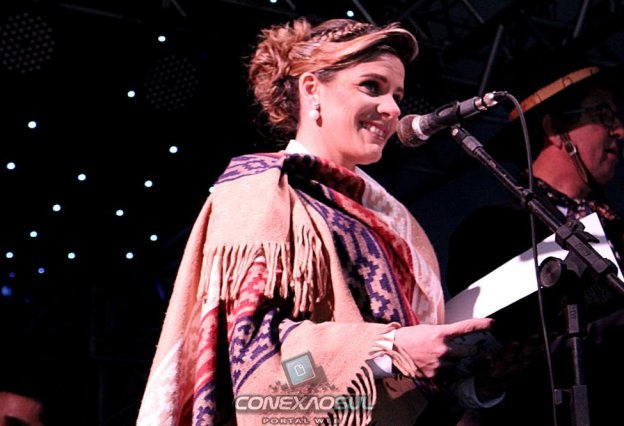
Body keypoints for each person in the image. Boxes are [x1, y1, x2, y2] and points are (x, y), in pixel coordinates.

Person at [136, 17, 526, 426]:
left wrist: (475, 386)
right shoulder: (258, 193)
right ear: (311, 89)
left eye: (397, 95)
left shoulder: (393, 217)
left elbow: (406, 381)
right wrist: (389, 348)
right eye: (372, 86)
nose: (394, 108)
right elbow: (251, 360)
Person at [446, 62, 624, 425]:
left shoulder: (616, 227)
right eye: (603, 114)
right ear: (555, 130)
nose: (619, 130)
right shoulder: (495, 229)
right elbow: (518, 354)